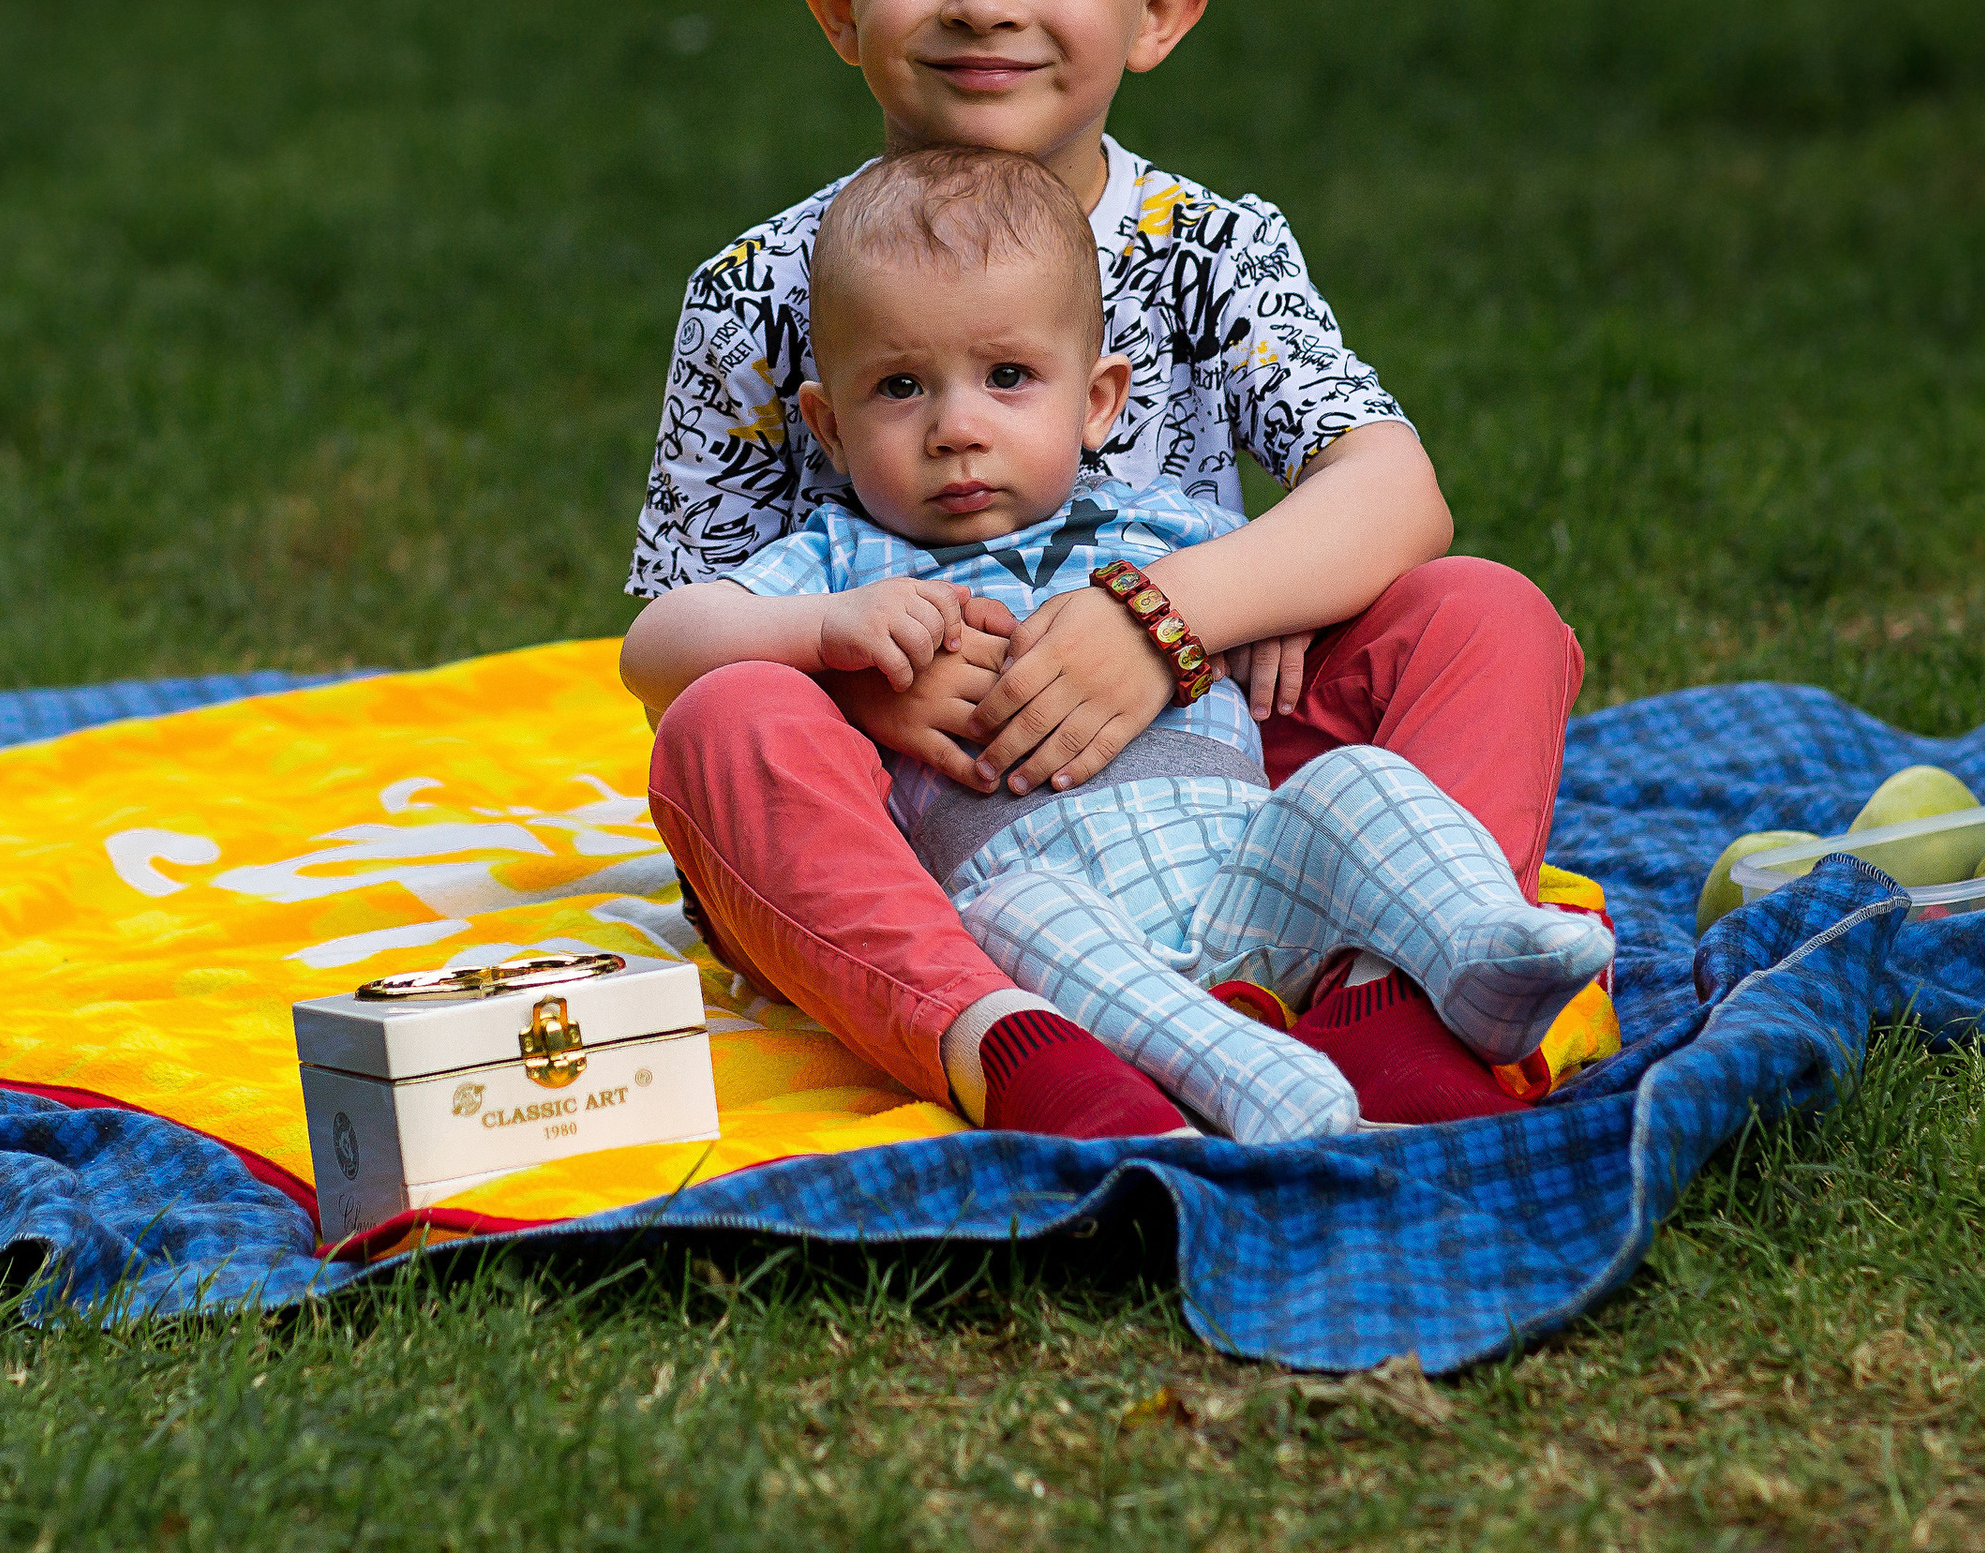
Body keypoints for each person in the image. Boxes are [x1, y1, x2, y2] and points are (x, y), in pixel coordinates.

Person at [630, 0, 1585, 1134]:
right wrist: (857, 678)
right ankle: (1002, 1044)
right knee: (723, 732)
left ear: (1157, 10)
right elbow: (671, 640)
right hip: (935, 826)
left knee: (1483, 613)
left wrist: (1178, 614)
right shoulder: (760, 288)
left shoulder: (1207, 248)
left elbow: (1394, 484)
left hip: (1232, 778)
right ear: (837, 0)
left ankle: (1386, 999)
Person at [621, 150, 1613, 1142]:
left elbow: (1373, 523)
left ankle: (1418, 986)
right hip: (1043, 932)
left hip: (1254, 876)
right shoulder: (843, 559)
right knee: (769, 744)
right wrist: (820, 638)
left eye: (1008, 376)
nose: (956, 426)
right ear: (827, 429)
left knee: (1384, 746)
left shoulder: (1165, 523)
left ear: (1096, 401)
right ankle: (1040, 1055)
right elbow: (656, 647)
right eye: (899, 387)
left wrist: (1255, 605)